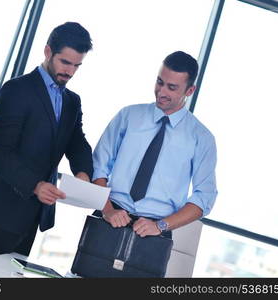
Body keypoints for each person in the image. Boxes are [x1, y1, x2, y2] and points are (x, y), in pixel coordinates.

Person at [0, 22, 94, 260]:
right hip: (0, 215)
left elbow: (76, 143)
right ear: (47, 52)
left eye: (77, 65)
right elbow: (0, 152)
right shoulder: (16, 90)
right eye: (65, 62)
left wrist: (84, 173)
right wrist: (35, 185)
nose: (70, 71)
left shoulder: (72, 102)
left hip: (33, 216)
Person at [92, 51, 217, 264]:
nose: (161, 92)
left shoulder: (201, 139)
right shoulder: (128, 116)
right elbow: (98, 167)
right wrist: (108, 211)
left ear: (190, 90)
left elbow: (204, 198)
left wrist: (160, 226)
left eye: (172, 87)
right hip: (109, 217)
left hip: (154, 233)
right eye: (160, 82)